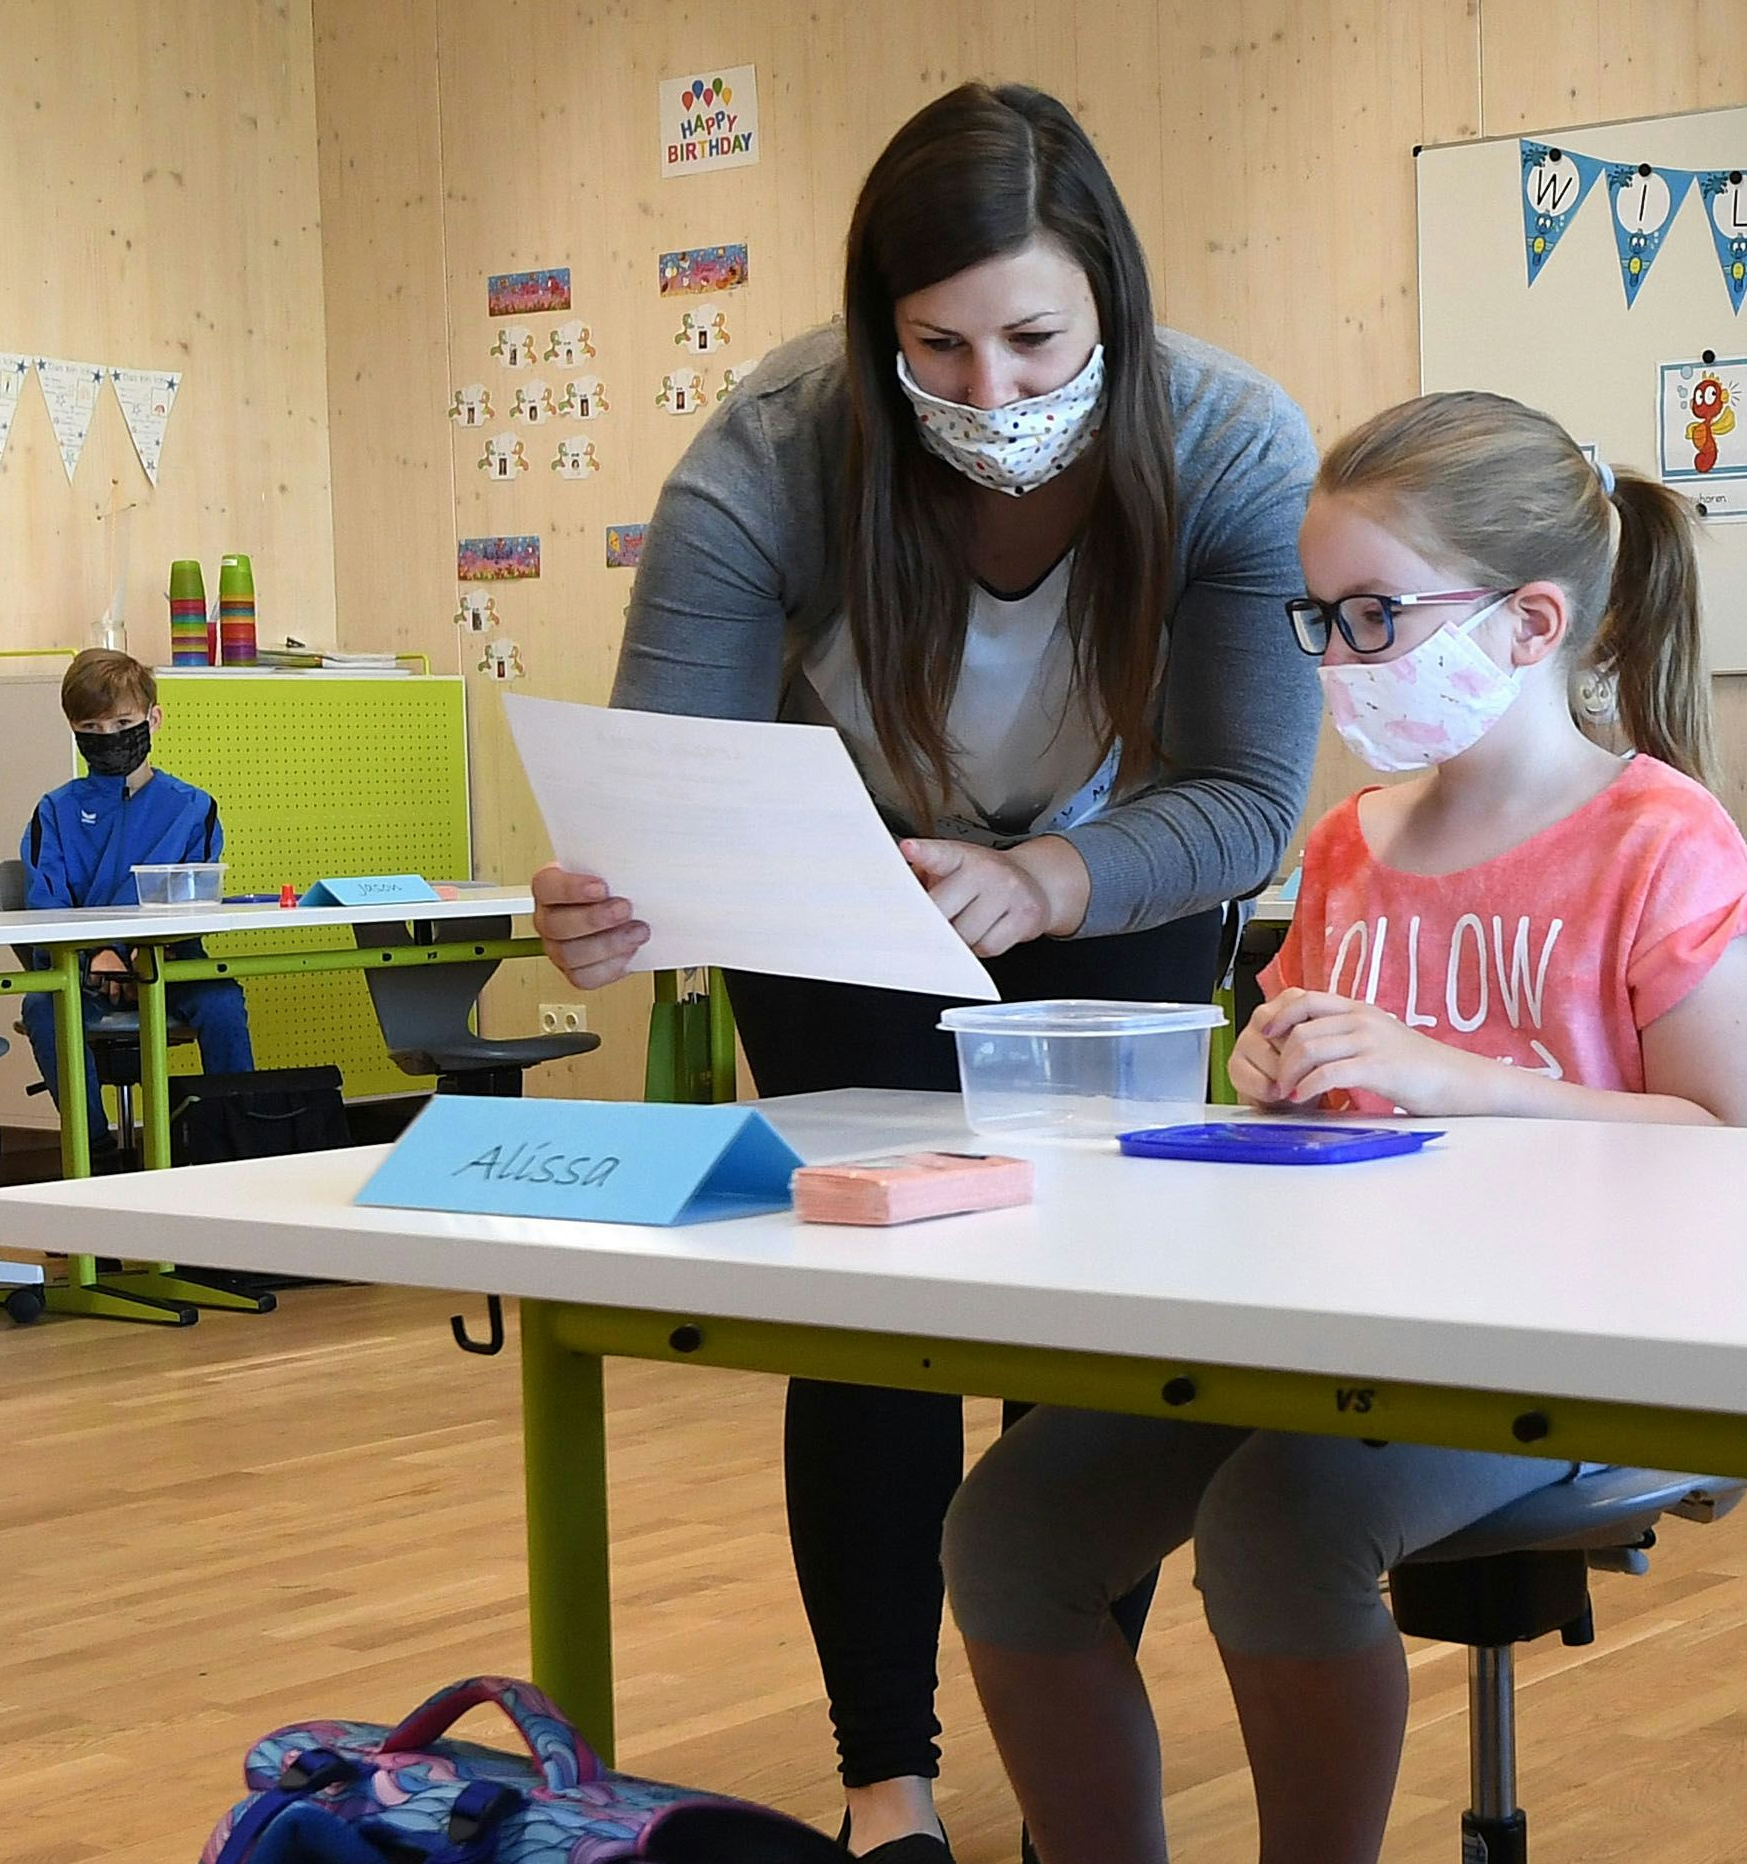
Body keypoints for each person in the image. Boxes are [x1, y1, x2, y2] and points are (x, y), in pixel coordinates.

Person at [529, 83, 1319, 1862]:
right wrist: (618, 898)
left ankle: (1066, 1776)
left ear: (1106, 297)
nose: (993, 393)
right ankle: (887, 1780)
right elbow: (676, 777)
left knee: (1083, 1334)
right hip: (843, 884)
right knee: (874, 1321)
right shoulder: (769, 454)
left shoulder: (1231, 445)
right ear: (872, 329)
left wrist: (1048, 871)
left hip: (1116, 869)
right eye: (936, 348)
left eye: (1035, 338)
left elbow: (1249, 799)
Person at [941, 391, 1747, 1864]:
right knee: (1009, 1532)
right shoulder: (1348, 844)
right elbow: (1337, 1093)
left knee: (1284, 1526)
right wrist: (1275, 1067)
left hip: (1567, 1337)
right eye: (1319, 617)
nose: (1336, 659)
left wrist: (1448, 1076)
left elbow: (1730, 1141)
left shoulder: (1661, 839)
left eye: (1374, 615)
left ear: (1528, 625)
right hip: (1337, 1327)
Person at [16, 649, 252, 1155]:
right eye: (92, 727)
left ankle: (237, 1140)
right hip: (81, 968)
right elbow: (46, 902)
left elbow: (193, 897)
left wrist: (144, 952)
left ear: (153, 719)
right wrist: (97, 951)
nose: (109, 737)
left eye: (123, 722)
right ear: (75, 732)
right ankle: (93, 1148)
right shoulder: (54, 812)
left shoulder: (193, 808)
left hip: (170, 959)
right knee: (43, 1008)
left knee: (222, 1001)